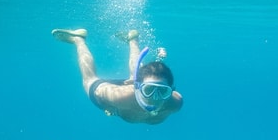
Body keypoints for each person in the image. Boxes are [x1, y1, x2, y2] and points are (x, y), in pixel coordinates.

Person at [52, 27, 183, 124]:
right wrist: (106, 105)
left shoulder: (175, 103)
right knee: (89, 80)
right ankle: (79, 39)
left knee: (139, 74)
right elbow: (95, 89)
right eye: (149, 90)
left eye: (163, 91)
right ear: (137, 88)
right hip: (115, 94)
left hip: (137, 84)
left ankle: (134, 40)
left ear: (171, 91)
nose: (155, 97)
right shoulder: (120, 97)